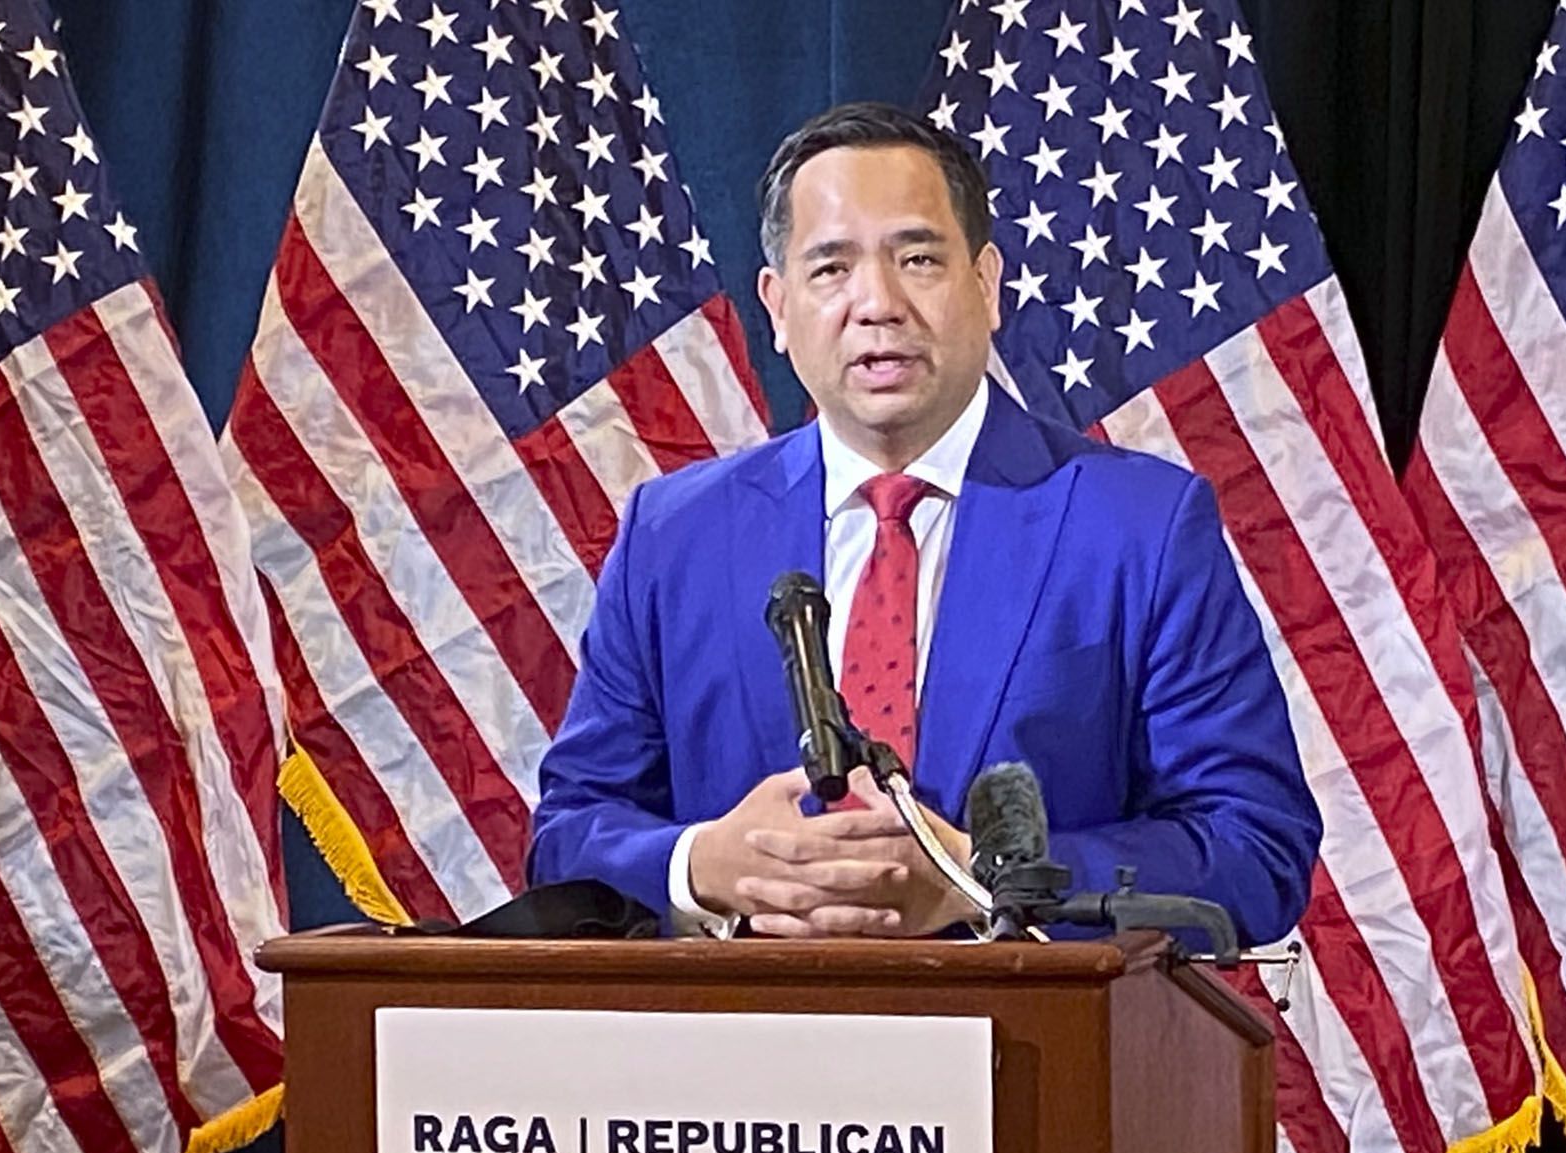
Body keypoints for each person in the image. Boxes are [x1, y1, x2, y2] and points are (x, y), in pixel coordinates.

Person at [527, 102, 1319, 943]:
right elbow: (569, 833)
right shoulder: (673, 536)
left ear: (986, 285)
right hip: (749, 1022)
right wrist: (704, 864)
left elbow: (1253, 845)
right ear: (778, 308)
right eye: (831, 268)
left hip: (1028, 1022)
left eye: (918, 259)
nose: (878, 302)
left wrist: (977, 877)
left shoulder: (1140, 529)